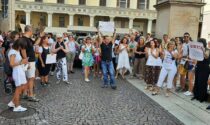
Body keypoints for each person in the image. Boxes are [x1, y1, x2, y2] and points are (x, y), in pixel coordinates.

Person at [19, 25, 41, 102]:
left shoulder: (28, 39)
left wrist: (40, 37)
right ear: (29, 30)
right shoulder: (24, 39)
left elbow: (35, 43)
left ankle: (25, 93)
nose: (33, 32)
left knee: (28, 78)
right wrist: (27, 62)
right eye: (32, 30)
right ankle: (30, 95)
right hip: (29, 61)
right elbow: (23, 50)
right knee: (31, 78)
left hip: (29, 61)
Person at [7, 39, 28, 112]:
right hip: (17, 72)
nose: (22, 49)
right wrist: (21, 62)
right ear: (19, 45)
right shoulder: (13, 52)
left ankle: (12, 102)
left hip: (20, 71)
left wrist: (23, 63)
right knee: (18, 89)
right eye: (22, 47)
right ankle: (17, 106)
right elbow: (11, 64)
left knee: (22, 87)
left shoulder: (16, 51)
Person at [192, 38, 209, 102]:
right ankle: (196, 95)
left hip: (205, 68)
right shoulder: (198, 49)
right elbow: (197, 59)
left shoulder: (207, 49)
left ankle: (202, 97)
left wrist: (203, 50)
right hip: (199, 67)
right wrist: (194, 66)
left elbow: (206, 56)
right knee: (197, 81)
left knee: (203, 82)